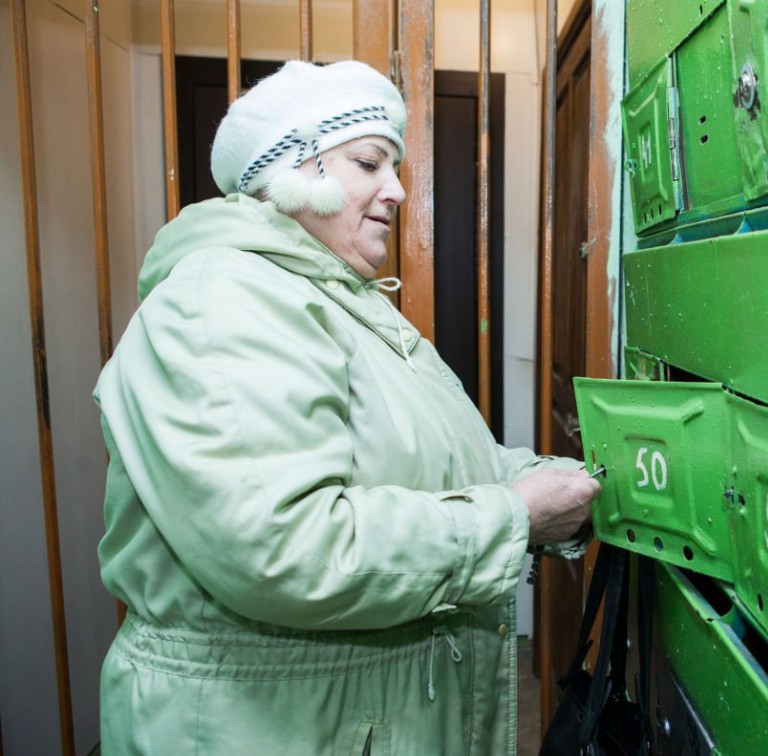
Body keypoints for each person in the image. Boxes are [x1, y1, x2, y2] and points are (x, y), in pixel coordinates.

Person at [94, 60, 600, 754]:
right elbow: (286, 549)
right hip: (267, 728)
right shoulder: (224, 302)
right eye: (370, 162)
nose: (397, 190)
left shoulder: (338, 302)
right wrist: (515, 516)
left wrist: (557, 480)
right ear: (291, 168)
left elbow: (429, 459)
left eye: (394, 166)